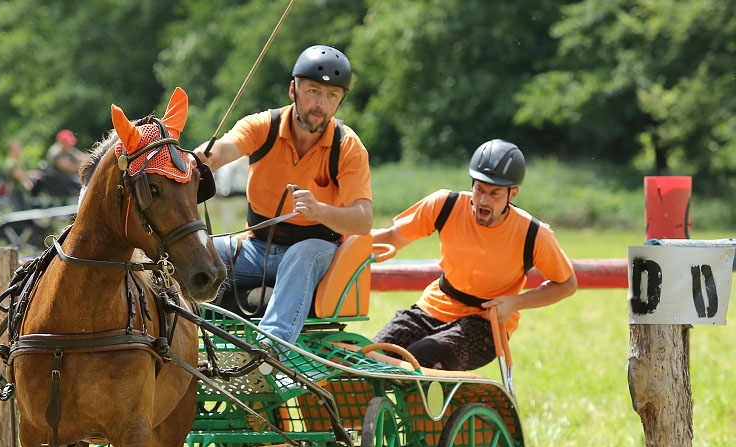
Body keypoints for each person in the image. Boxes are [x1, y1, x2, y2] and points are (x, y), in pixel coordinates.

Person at [196, 45, 373, 345]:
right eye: (313, 91)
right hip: (258, 248)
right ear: (293, 89)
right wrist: (200, 159)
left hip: (318, 250)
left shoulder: (348, 146)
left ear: (341, 100)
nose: (321, 104)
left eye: (332, 96)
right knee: (197, 250)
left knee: (300, 254)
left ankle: (269, 351)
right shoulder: (263, 126)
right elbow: (222, 150)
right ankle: (180, 339)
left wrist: (320, 211)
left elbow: (363, 221)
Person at [371, 139, 577, 370]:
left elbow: (567, 284)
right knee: (371, 355)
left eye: (494, 193)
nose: (483, 200)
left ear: (513, 193)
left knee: (421, 357)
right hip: (433, 307)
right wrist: (343, 242)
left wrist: (515, 303)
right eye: (479, 189)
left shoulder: (533, 233)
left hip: (487, 323)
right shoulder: (444, 205)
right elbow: (391, 238)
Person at [41, 129, 88, 195]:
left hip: (69, 178)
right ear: (62, 143)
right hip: (62, 181)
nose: (70, 145)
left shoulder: (67, 148)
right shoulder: (56, 152)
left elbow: (80, 156)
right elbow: (68, 167)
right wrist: (85, 165)